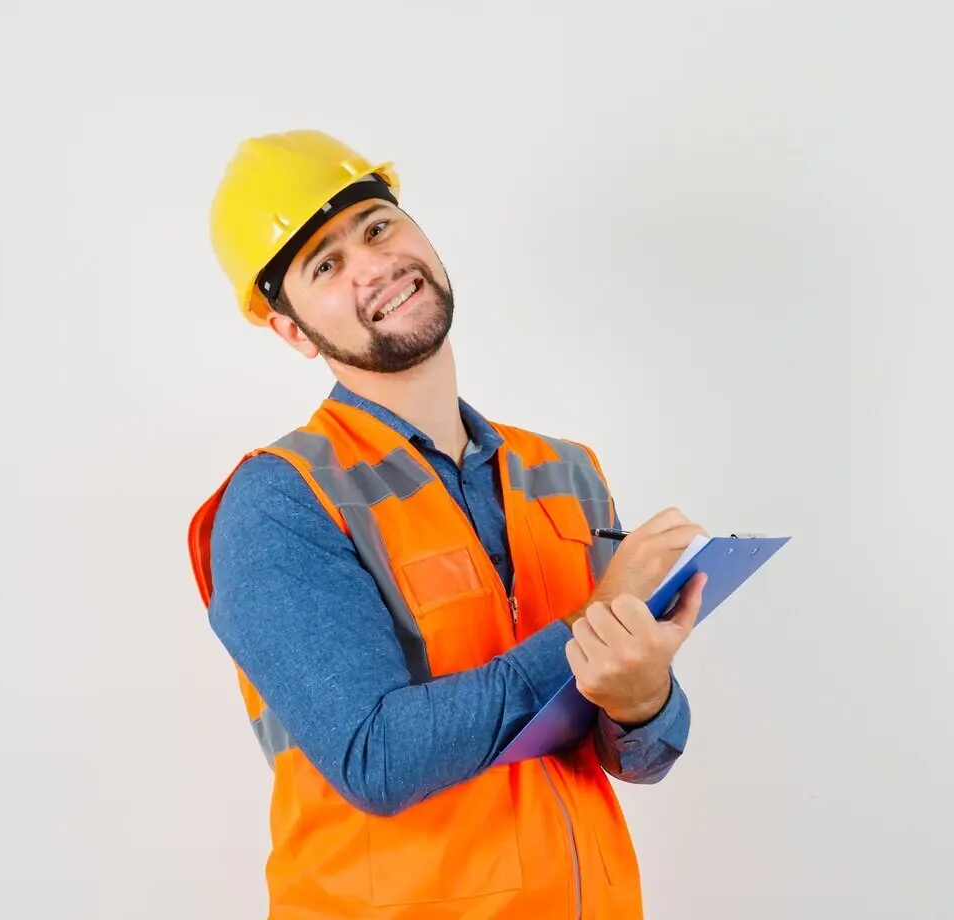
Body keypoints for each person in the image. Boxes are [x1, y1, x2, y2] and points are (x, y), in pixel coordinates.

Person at [187, 129, 708, 919]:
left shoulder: (566, 472)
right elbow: (377, 758)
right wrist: (593, 624)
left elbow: (632, 753)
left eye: (377, 226)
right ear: (292, 329)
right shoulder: (283, 502)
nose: (373, 264)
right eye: (325, 265)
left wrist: (641, 698)